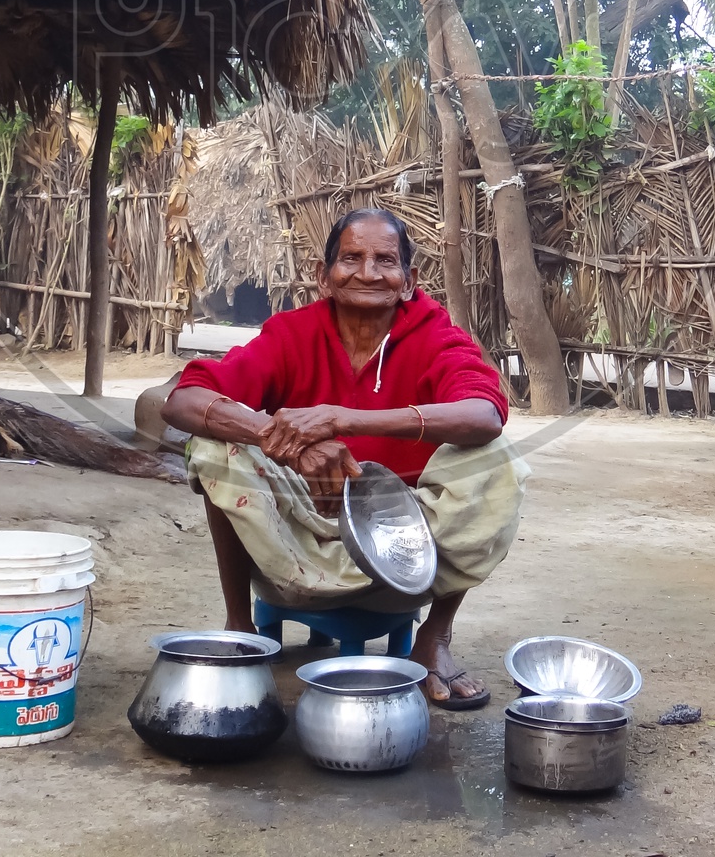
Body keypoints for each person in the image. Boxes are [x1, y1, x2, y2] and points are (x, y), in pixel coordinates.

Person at [164, 207, 528, 710]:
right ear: (323, 275)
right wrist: (285, 440)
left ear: (409, 280)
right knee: (213, 443)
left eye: (385, 260)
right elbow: (184, 400)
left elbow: (485, 415)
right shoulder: (291, 334)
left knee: (494, 458)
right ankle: (239, 625)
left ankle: (434, 638)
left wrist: (343, 419)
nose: (368, 272)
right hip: (296, 530)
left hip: (404, 546)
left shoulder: (434, 334)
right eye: (351, 258)